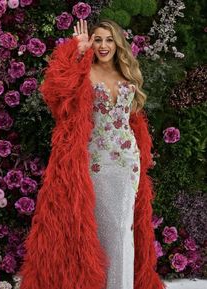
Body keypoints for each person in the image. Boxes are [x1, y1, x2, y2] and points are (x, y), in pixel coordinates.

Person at [19, 19, 166, 289]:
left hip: (125, 162)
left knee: (122, 229)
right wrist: (76, 51)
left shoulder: (128, 75)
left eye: (109, 39)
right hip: (92, 161)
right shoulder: (83, 73)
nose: (103, 45)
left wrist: (142, 151)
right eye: (98, 39)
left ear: (118, 43)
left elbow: (132, 120)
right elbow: (54, 92)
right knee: (91, 231)